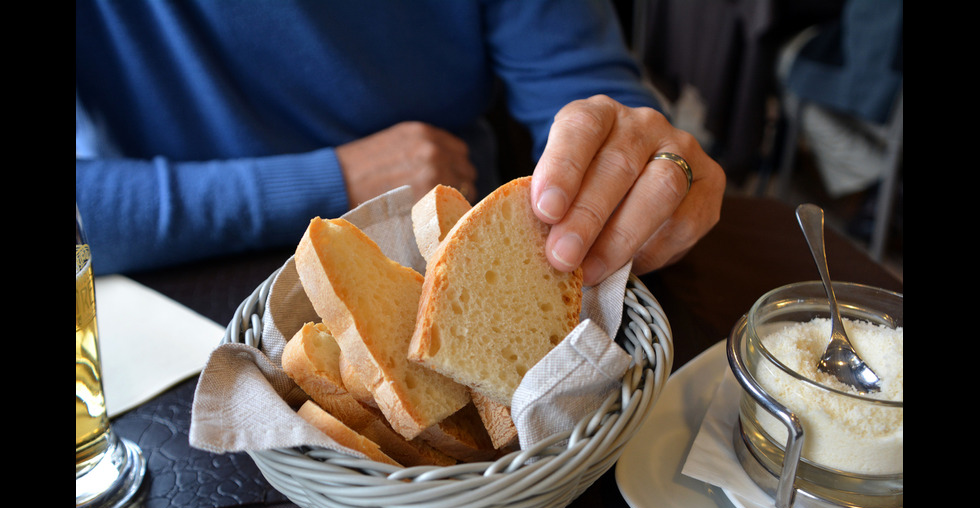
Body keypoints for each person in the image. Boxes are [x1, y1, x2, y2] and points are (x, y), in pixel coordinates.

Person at [76, 0, 724, 286]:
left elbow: (583, 83)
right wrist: (330, 180)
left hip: (445, 258)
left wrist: (632, 152)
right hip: (171, 297)